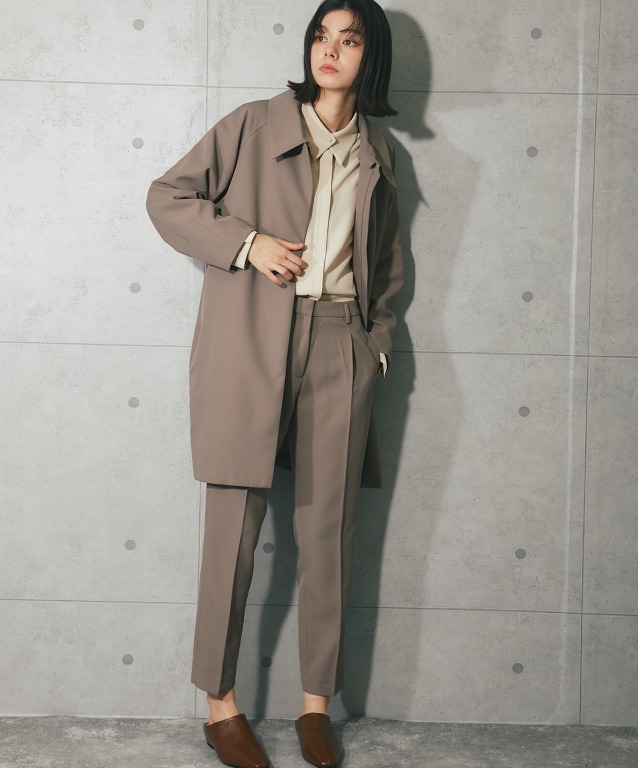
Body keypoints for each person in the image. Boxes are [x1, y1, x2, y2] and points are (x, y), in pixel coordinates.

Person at [146, 1, 403, 765]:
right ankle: (220, 705)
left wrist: (374, 346)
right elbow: (168, 197)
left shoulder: (379, 153)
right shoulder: (255, 125)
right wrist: (247, 243)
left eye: (349, 40)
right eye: (322, 35)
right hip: (251, 341)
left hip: (339, 343)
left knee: (329, 531)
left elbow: (388, 264)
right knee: (233, 529)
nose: (331, 50)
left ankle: (315, 704)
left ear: (371, 58)